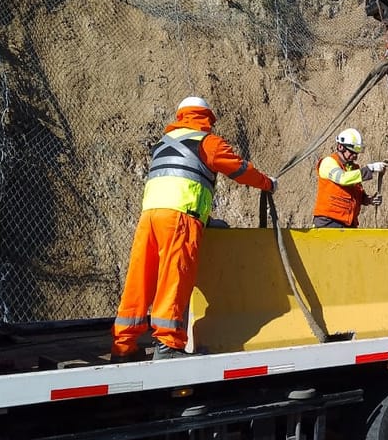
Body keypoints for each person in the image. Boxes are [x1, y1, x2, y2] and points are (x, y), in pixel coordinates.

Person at [111, 96, 276, 362]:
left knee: (140, 278)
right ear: (206, 117)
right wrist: (267, 183)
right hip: (180, 220)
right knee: (174, 277)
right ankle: (167, 345)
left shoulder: (161, 145)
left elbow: (180, 179)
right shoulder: (207, 142)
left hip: (150, 217)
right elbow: (239, 169)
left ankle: (123, 345)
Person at [312, 128, 388, 228]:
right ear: (340, 147)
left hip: (348, 223)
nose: (355, 156)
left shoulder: (353, 169)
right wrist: (370, 168)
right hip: (328, 222)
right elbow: (343, 178)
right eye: (352, 152)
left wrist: (369, 199)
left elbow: (355, 194)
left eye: (357, 153)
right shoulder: (328, 162)